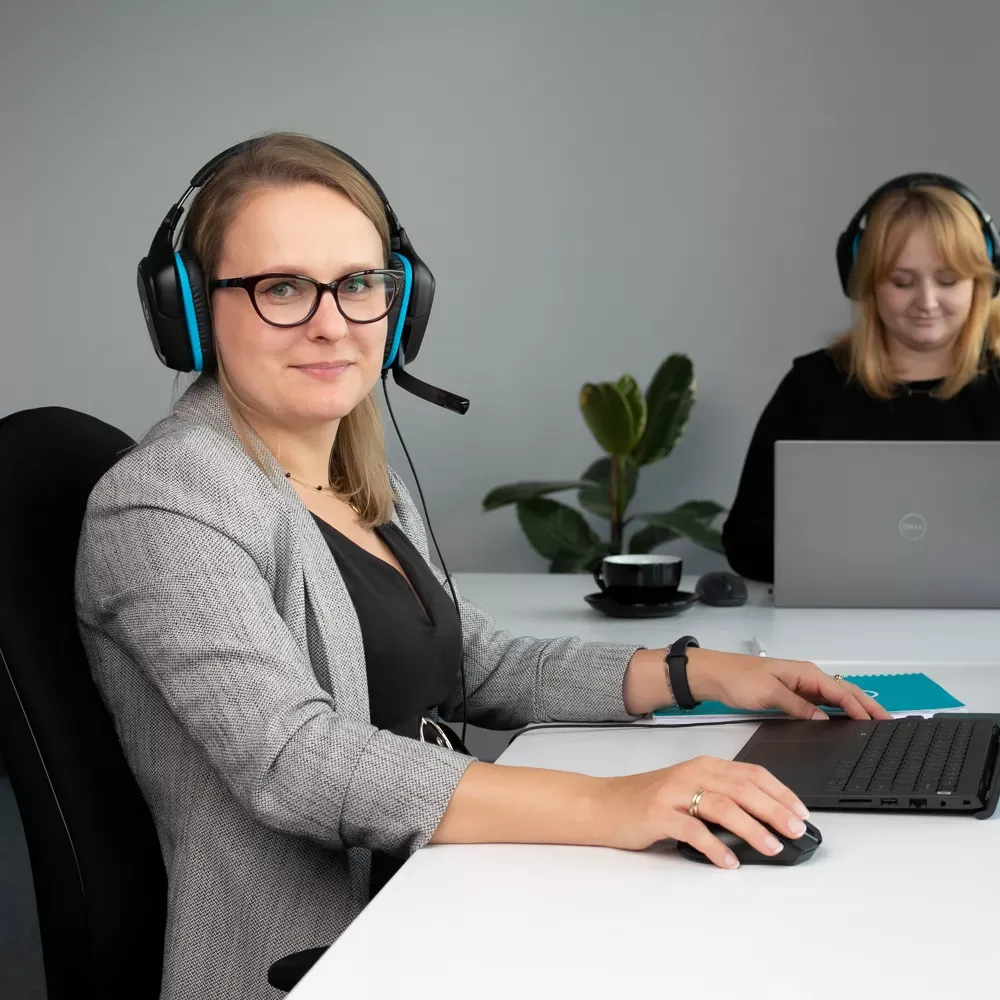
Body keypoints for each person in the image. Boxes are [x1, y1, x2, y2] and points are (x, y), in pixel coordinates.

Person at [75, 134, 886, 1000]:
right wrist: (612, 806)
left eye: (358, 285)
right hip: (321, 958)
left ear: (401, 305)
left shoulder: (350, 474)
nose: (331, 322)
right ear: (191, 312)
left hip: (443, 895)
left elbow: (481, 665)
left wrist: (700, 674)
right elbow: (292, 759)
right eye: (281, 288)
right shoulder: (166, 502)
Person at [723, 174, 1000, 583]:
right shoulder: (811, 386)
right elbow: (745, 540)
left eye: (948, 281)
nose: (926, 301)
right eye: (902, 282)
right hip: (836, 627)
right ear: (866, 283)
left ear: (982, 283)